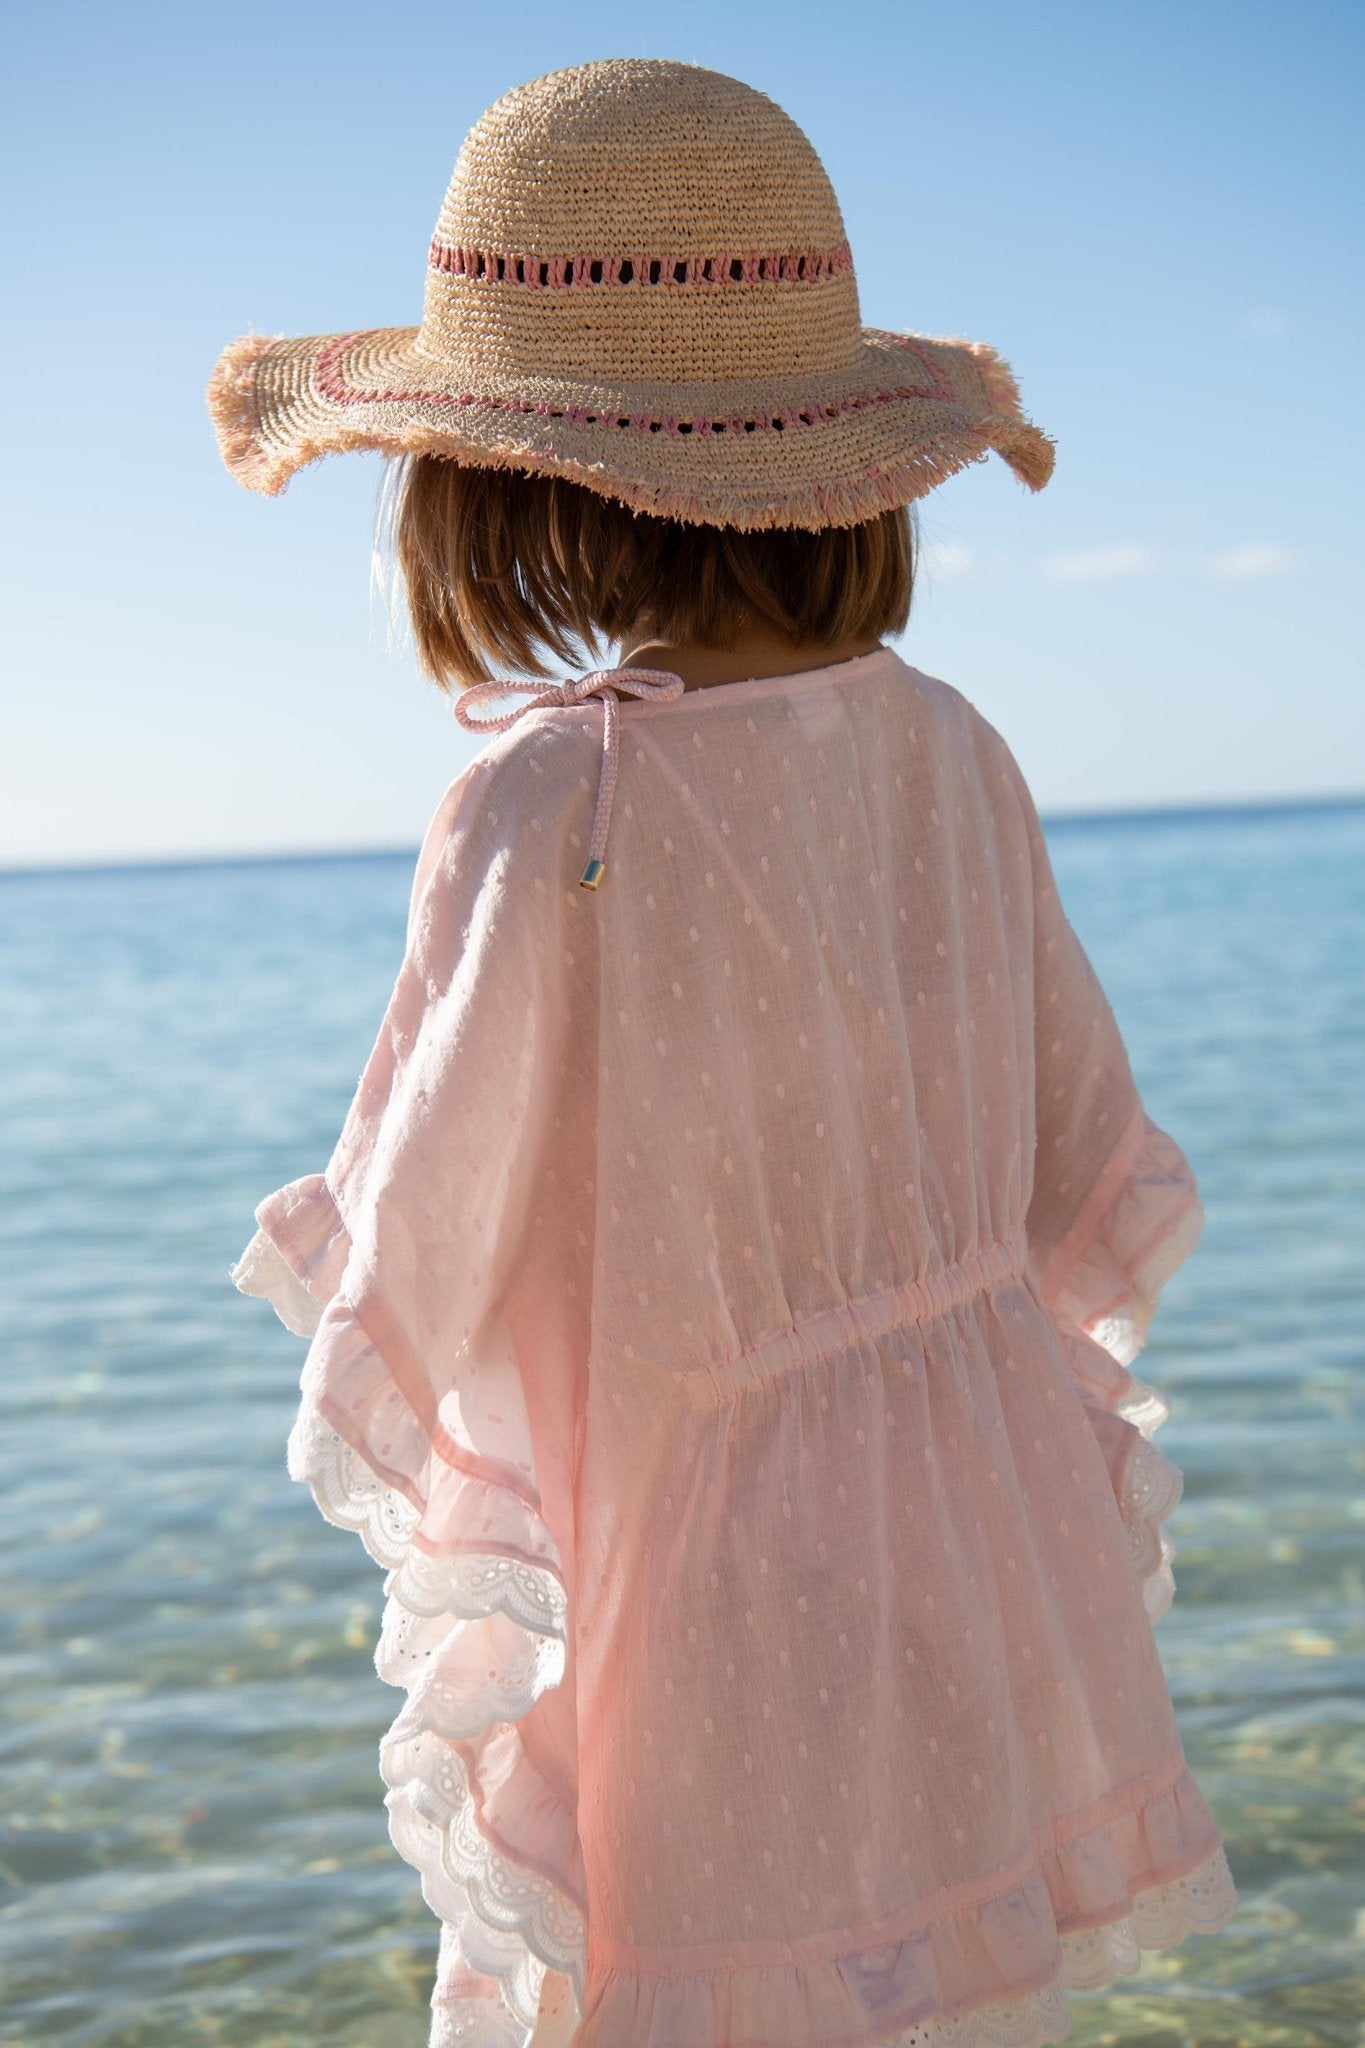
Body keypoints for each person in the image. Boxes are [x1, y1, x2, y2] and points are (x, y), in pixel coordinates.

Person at [211, 57, 1237, 2048]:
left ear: (496, 473)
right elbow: (1068, 1170)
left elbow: (419, 1245)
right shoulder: (954, 752)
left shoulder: (555, 803)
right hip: (959, 1562)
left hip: (710, 1601)